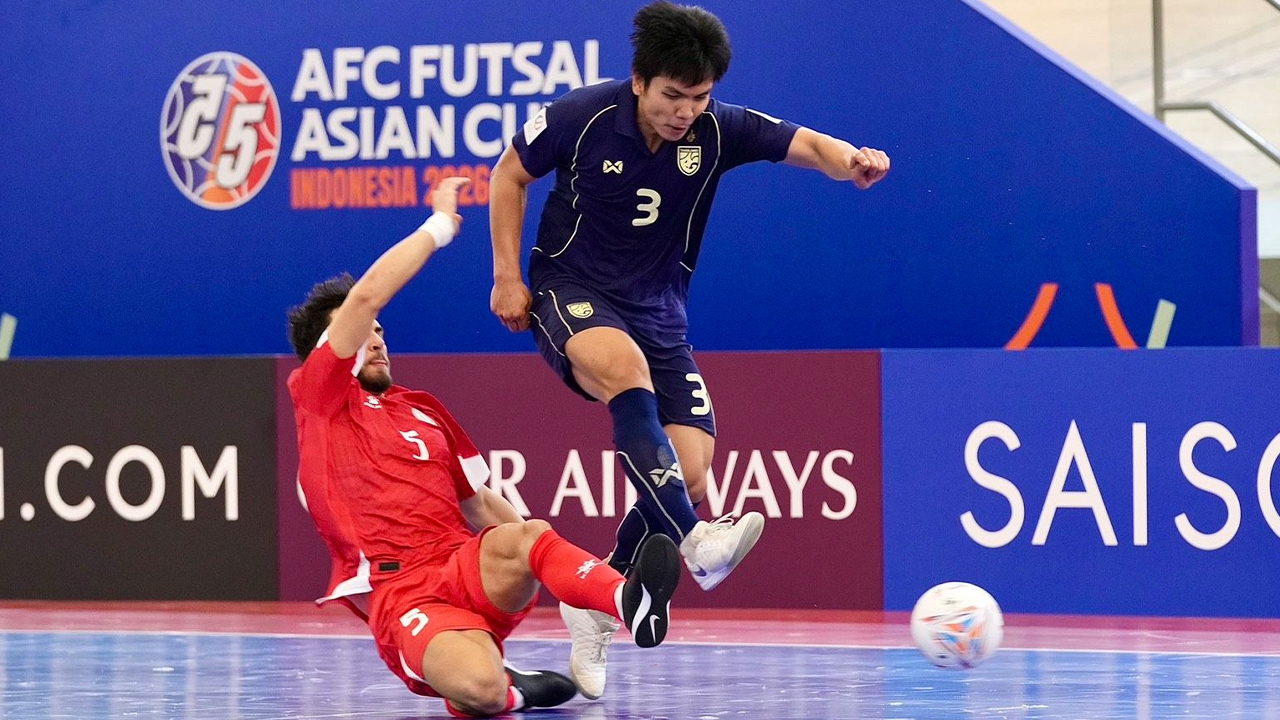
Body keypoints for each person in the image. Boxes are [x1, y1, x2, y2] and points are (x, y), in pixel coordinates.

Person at [488, 0, 892, 700]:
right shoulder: (579, 117)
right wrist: (506, 276)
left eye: (698, 97)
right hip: (570, 289)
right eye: (673, 96)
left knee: (692, 463)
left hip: (660, 311)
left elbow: (805, 144)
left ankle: (596, 601)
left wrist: (851, 161)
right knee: (626, 374)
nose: (685, 111)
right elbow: (508, 175)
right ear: (640, 82)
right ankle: (698, 541)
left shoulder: (716, 130)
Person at [286, 177, 682, 718]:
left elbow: (481, 505)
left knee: (528, 535)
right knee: (480, 690)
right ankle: (509, 687)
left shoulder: (422, 409)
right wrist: (442, 225)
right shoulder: (319, 397)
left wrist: (542, 556)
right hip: (403, 592)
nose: (374, 337)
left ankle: (625, 601)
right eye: (362, 333)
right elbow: (367, 295)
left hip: (463, 565)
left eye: (380, 331)